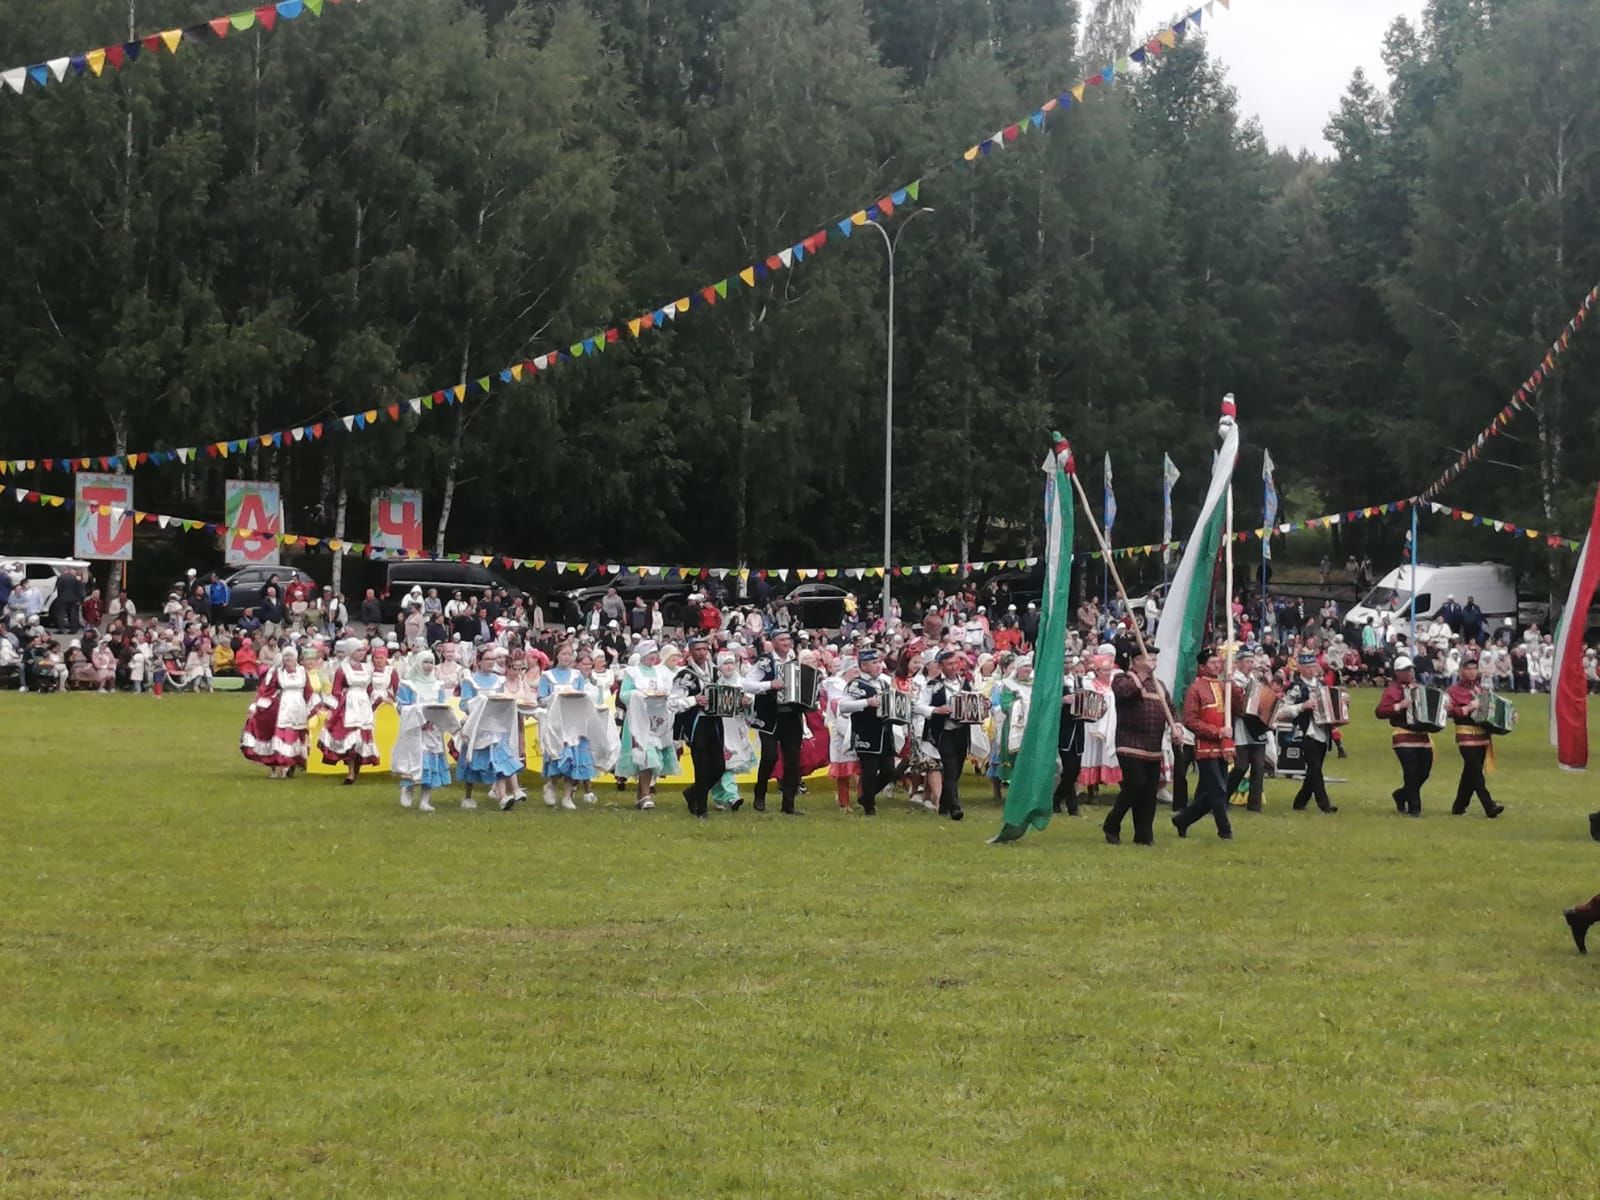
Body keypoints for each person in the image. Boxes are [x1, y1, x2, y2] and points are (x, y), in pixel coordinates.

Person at [1173, 648, 1247, 840]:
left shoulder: (1224, 686)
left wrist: (1235, 688)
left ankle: (1183, 819)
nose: (1218, 665)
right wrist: (1216, 732)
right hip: (1206, 747)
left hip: (1224, 746)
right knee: (1218, 789)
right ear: (1203, 665)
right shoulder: (1195, 689)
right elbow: (1190, 720)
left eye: (1218, 662)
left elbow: (1239, 709)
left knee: (1217, 790)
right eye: (1213, 662)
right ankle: (1225, 830)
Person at [1105, 648, 1175, 845]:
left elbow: (1170, 708)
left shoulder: (1159, 685)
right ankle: (1112, 823)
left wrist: (1176, 725)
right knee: (1135, 784)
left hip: (1153, 746)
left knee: (1149, 792)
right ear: (1136, 661)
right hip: (1129, 744)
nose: (1154, 662)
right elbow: (1127, 693)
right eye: (1149, 658)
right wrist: (1142, 675)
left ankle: (1144, 835)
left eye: (1155, 659)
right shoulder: (1122, 679)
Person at [538, 641, 614, 809]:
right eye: (563, 654)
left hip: (574, 723)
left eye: (569, 654)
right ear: (557, 655)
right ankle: (551, 784)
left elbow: (581, 696)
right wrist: (554, 697)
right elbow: (541, 699)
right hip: (557, 723)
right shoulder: (547, 676)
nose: (566, 657)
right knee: (559, 755)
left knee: (576, 758)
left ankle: (567, 795)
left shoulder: (576, 676)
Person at [744, 630, 808, 815]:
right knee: (770, 756)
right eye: (782, 639)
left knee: (793, 761)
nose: (786, 642)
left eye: (788, 639)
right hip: (769, 716)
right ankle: (760, 793)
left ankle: (788, 804)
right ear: (773, 642)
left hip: (792, 716)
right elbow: (747, 684)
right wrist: (769, 685)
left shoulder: (797, 661)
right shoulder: (765, 662)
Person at [457, 646, 523, 810]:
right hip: (477, 725)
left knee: (498, 758)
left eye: (494, 660)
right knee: (472, 760)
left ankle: (503, 796)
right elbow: (464, 703)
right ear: (479, 661)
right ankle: (468, 796)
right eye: (487, 659)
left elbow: (502, 699)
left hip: (494, 725)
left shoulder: (499, 680)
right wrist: (481, 703)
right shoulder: (469, 681)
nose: (491, 663)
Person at [619, 640, 678, 811]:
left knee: (653, 758)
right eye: (649, 654)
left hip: (657, 721)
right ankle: (646, 795)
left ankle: (641, 795)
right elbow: (624, 694)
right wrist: (639, 694)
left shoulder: (660, 672)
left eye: (655, 654)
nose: (653, 657)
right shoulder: (632, 672)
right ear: (642, 655)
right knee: (646, 756)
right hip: (639, 720)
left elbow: (668, 690)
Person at [391, 652, 453, 812]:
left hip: (433, 730)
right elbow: (401, 707)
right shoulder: (408, 684)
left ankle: (425, 799)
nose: (428, 666)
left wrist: (435, 718)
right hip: (414, 730)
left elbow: (441, 705)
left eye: (431, 662)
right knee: (415, 760)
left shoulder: (437, 685)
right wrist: (418, 715)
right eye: (425, 662)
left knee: (431, 763)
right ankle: (408, 787)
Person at [840, 649, 898, 816]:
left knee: (889, 771)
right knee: (870, 771)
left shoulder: (885, 682)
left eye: (879, 662)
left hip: (886, 732)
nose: (879, 665)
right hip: (866, 732)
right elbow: (843, 706)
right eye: (874, 663)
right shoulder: (855, 684)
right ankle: (869, 807)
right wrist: (866, 702)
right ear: (863, 666)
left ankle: (866, 796)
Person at [1445, 657, 1505, 819]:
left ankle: (1459, 806)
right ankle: (1489, 805)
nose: (1472, 671)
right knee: (1476, 772)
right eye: (1468, 668)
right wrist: (1467, 708)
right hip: (1466, 735)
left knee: (1470, 772)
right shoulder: (1453, 691)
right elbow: (1448, 711)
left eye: (1474, 668)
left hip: (1482, 736)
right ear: (1461, 670)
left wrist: (1507, 715)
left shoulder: (1481, 689)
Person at [242, 646, 315, 778]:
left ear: (296, 658)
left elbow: (308, 690)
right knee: (284, 735)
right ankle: (281, 765)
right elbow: (266, 690)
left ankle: (291, 764)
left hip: (299, 708)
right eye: (286, 656)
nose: (288, 659)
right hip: (283, 707)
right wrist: (256, 706)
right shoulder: (277, 672)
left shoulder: (302, 671)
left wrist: (316, 706)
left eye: (291, 656)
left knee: (296, 735)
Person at [1375, 655, 1431, 817]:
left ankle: (1401, 794)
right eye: (1406, 670)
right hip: (1403, 735)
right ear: (1398, 673)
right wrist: (1399, 706)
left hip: (1422, 735)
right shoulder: (1392, 690)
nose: (1411, 672)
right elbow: (1380, 712)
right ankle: (1415, 808)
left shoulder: (1419, 688)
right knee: (1411, 772)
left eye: (1411, 669)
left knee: (1424, 772)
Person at [1281, 652, 1337, 813]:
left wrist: (1342, 703)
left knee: (1313, 770)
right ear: (1300, 668)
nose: (1312, 669)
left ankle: (1299, 802)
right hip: (1306, 733)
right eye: (1308, 667)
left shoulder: (1322, 685)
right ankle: (1324, 805)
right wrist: (1302, 706)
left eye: (1313, 666)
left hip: (1322, 732)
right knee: (1315, 768)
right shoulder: (1297, 687)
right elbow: (1284, 709)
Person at [318, 640, 380, 784]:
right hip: (349, 705)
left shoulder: (368, 668)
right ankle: (350, 773)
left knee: (363, 740)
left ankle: (355, 771)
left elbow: (370, 688)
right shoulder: (342, 669)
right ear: (351, 651)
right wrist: (335, 707)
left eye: (363, 650)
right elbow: (336, 690)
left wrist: (377, 699)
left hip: (363, 704)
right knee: (352, 739)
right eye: (358, 650)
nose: (361, 653)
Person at [1224, 651, 1269, 812]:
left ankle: (1254, 805)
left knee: (1259, 766)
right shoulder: (1232, 681)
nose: (1251, 665)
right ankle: (1224, 796)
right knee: (1240, 766)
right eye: (1248, 661)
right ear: (1239, 663)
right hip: (1241, 728)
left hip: (1256, 728)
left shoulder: (1255, 680)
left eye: (1252, 661)